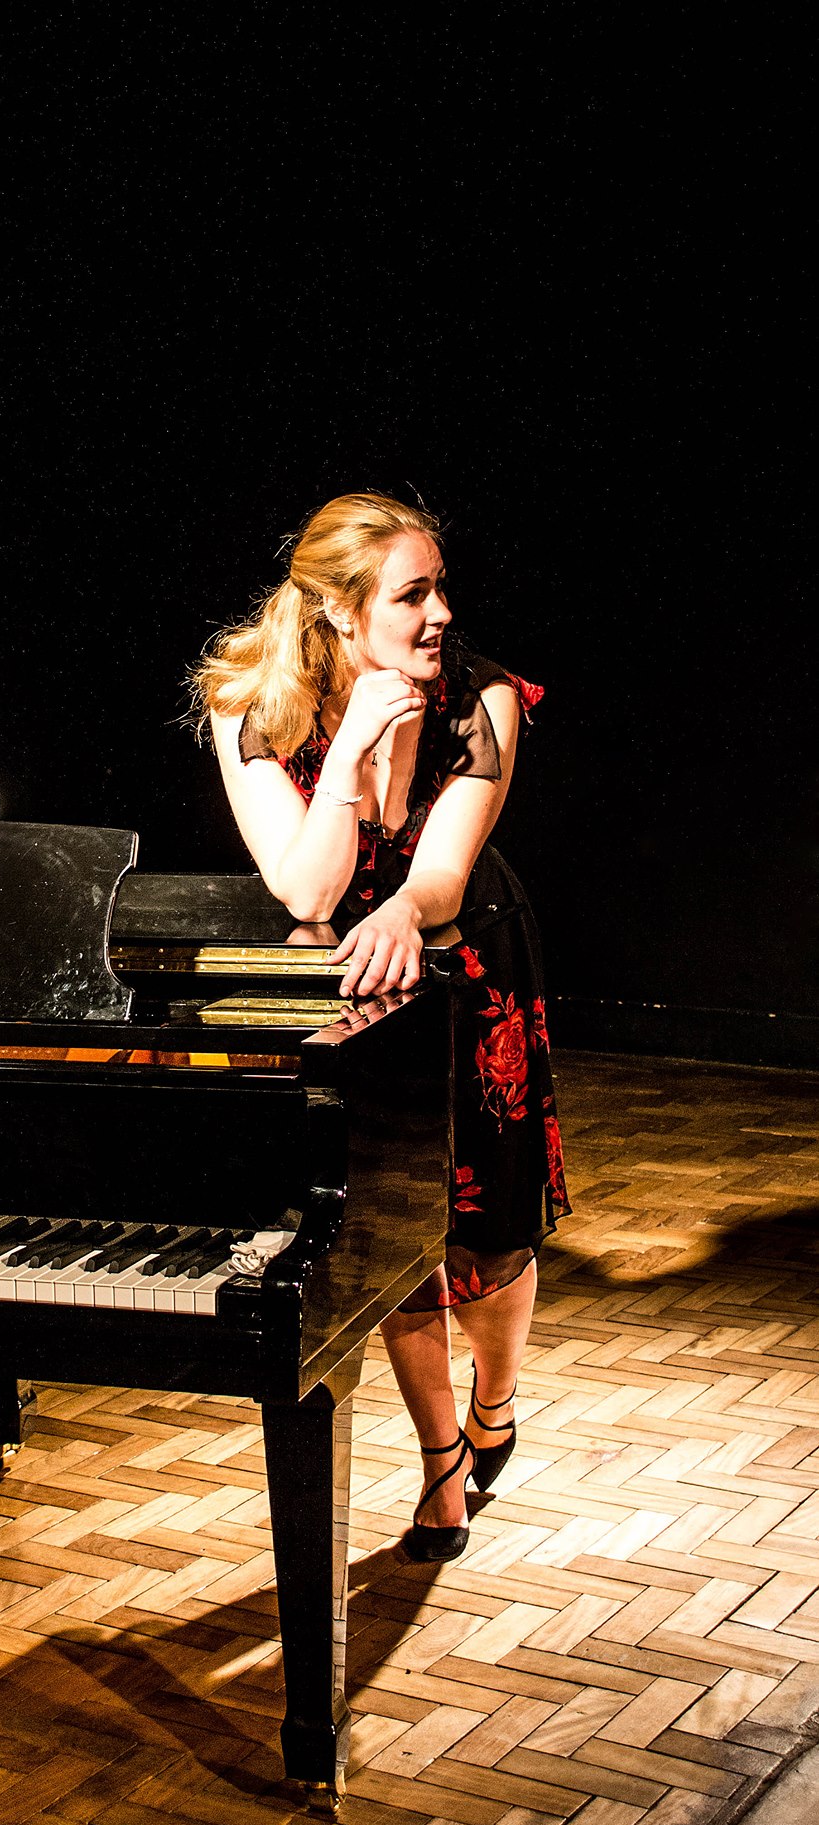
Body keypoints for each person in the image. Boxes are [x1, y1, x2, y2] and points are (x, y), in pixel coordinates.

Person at [192, 492, 569, 1561]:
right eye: (412, 594)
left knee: (490, 1232)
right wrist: (351, 749)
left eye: (439, 588)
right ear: (339, 610)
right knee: (387, 1233)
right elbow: (309, 891)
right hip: (352, 982)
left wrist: (405, 907)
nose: (439, 612)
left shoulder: (480, 698)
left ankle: (495, 1397)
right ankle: (442, 1458)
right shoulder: (250, 705)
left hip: (468, 962)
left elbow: (441, 875)